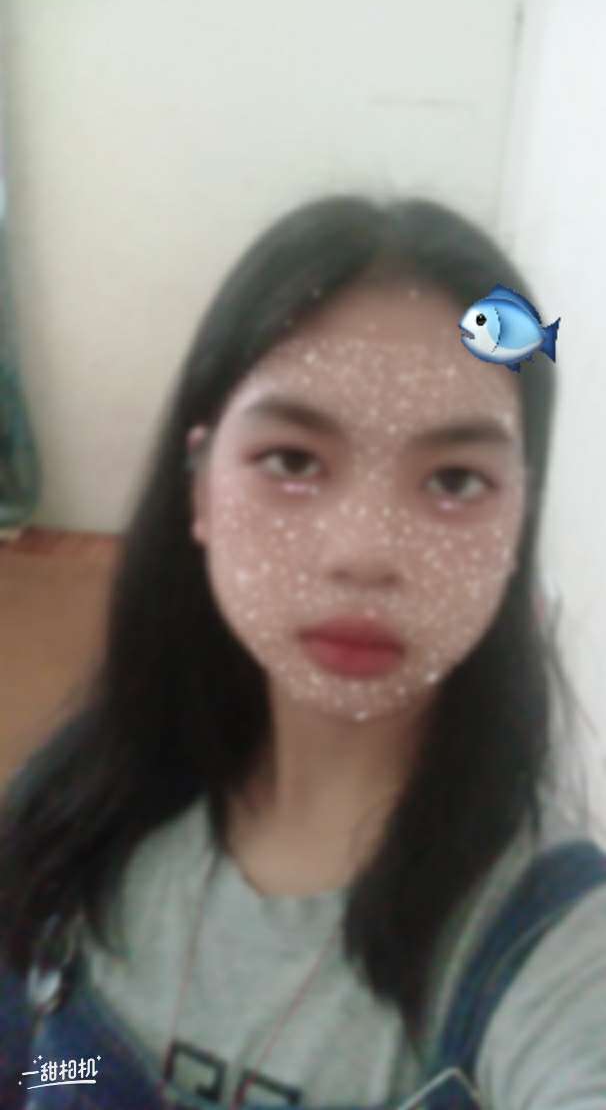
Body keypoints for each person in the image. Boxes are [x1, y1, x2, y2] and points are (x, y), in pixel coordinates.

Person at [1, 194, 605, 1110]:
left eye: (454, 479)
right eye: (292, 460)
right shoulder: (75, 815)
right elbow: (35, 1070)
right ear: (201, 489)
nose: (363, 552)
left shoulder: (548, 943)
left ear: (518, 526)